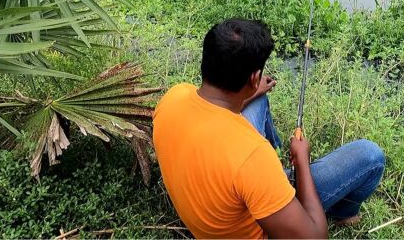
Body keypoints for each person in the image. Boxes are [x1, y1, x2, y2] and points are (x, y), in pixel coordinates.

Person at [153, 19, 385, 239]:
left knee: (257, 101)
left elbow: (218, 108)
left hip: (212, 199)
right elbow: (314, 238)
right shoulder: (252, 157)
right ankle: (342, 214)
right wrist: (302, 160)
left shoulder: (174, 96)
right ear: (254, 77)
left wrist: (253, 92)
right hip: (258, 210)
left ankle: (275, 173)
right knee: (370, 155)